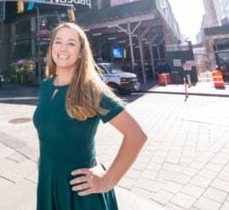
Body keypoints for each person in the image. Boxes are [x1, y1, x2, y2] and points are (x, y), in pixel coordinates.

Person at [33, 22, 148, 209]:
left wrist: (108, 179)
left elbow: (136, 135)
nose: (62, 48)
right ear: (51, 47)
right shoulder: (45, 86)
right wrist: (43, 158)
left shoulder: (91, 89)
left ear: (80, 52)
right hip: (48, 178)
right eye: (58, 42)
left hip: (80, 189)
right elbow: (46, 126)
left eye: (71, 43)